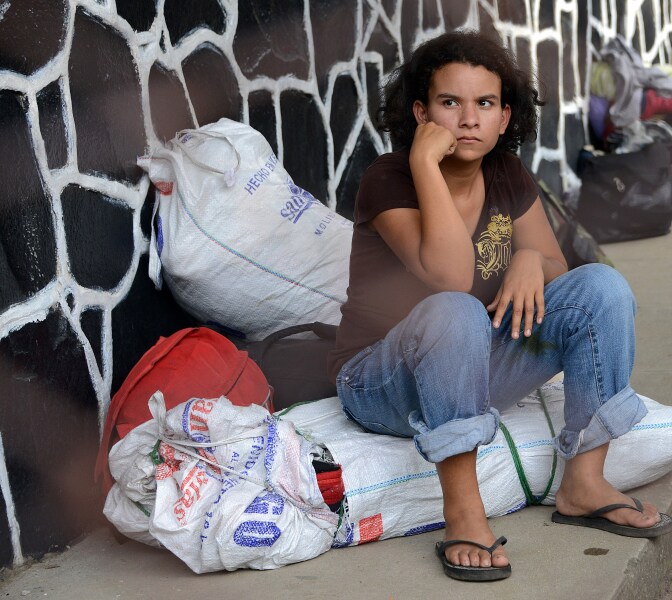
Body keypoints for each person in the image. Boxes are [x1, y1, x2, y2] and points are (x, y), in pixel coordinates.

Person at [327, 29, 672, 582]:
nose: (468, 119)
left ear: (505, 117)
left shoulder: (506, 174)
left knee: (601, 288)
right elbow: (452, 277)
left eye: (484, 104)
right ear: (420, 112)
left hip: (474, 362)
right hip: (379, 380)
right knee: (456, 308)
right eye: (449, 103)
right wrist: (423, 164)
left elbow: (560, 271)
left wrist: (529, 260)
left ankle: (583, 482)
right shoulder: (386, 179)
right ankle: (463, 509)